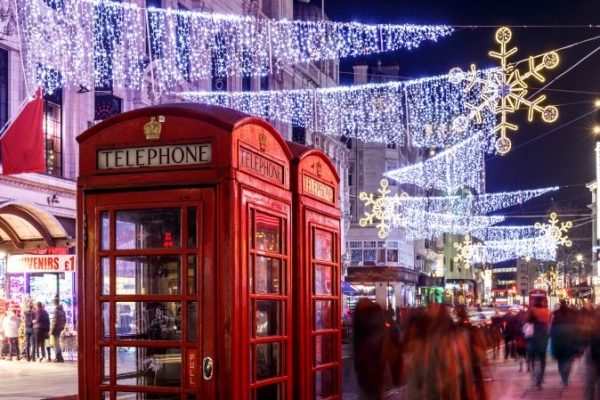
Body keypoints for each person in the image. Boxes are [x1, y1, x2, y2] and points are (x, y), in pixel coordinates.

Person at [550, 300, 578, 387]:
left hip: (558, 339)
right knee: (569, 359)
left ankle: (564, 378)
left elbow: (551, 329)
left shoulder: (555, 314)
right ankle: (567, 373)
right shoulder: (572, 313)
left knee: (560, 360)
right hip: (569, 339)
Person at [527, 298, 551, 389]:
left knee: (532, 356)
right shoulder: (546, 311)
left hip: (533, 336)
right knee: (542, 359)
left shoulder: (532, 311)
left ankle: (534, 373)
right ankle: (540, 378)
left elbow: (526, 321)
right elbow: (548, 323)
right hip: (543, 337)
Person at [50, 298, 67, 363]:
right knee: (57, 342)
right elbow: (65, 319)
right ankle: (59, 357)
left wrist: (52, 331)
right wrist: (62, 326)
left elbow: (54, 321)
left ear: (55, 302)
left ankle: (58, 357)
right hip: (60, 328)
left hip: (56, 329)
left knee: (56, 343)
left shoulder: (56, 311)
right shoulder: (62, 310)